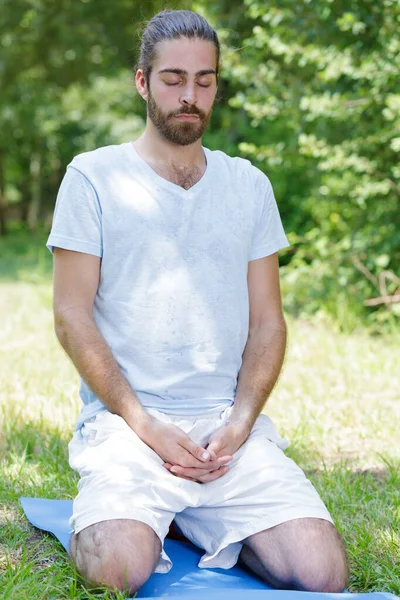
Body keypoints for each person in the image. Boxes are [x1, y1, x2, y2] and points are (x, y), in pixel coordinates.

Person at [47, 9, 348, 596]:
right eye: (173, 79)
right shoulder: (92, 177)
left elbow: (267, 322)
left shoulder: (249, 186)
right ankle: (144, 512)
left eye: (204, 81)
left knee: (323, 573)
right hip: (128, 425)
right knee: (118, 569)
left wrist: (240, 422)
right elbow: (71, 316)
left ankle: (191, 512)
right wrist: (143, 424)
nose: (190, 96)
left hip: (225, 430)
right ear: (142, 81)